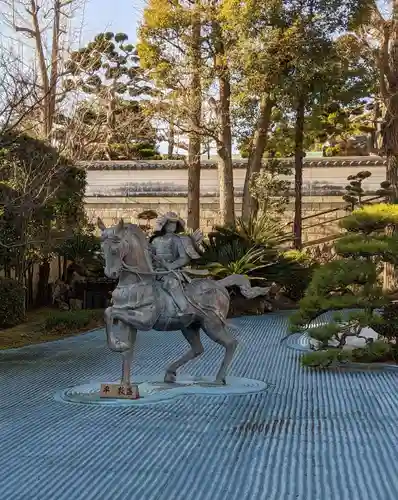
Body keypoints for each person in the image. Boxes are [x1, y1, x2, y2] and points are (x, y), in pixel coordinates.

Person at [149, 212, 202, 317]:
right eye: (169, 223)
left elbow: (184, 258)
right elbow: (150, 256)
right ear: (164, 225)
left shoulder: (180, 240)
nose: (172, 226)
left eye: (174, 224)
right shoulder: (155, 240)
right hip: (156, 272)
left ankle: (185, 308)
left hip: (172, 272)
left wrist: (170, 266)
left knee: (171, 283)